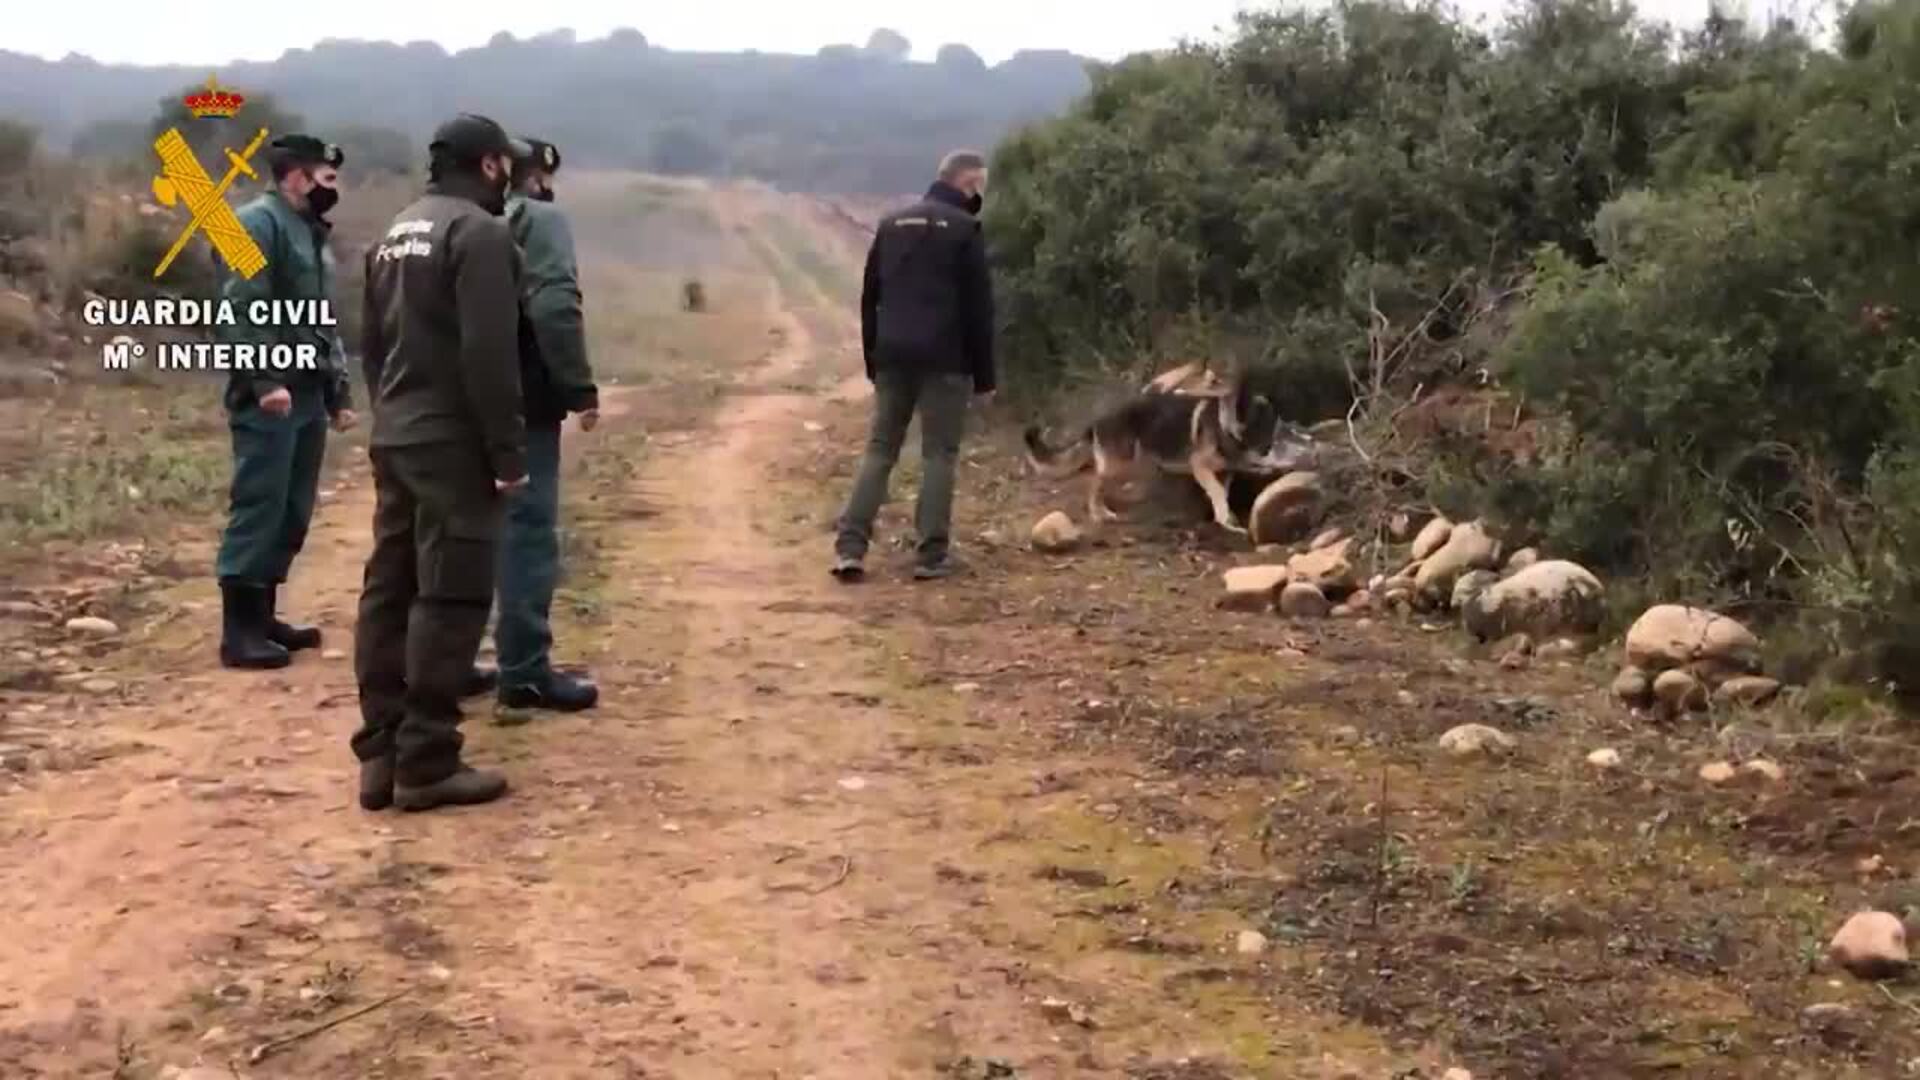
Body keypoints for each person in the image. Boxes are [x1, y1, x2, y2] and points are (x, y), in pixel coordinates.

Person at [349, 114, 527, 813]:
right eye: (505, 166)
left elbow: (371, 345)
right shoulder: (479, 234)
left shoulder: (394, 233)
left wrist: (390, 415)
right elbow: (490, 353)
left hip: (396, 432)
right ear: (489, 166)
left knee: (389, 588)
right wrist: (507, 451)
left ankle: (381, 755)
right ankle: (426, 760)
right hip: (451, 442)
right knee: (449, 595)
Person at [212, 134, 356, 670]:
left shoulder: (310, 232)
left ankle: (264, 617)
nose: (333, 188)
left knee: (293, 508)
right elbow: (241, 307)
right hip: (270, 394)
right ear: (296, 176)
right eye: (327, 177)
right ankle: (239, 632)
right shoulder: (254, 224)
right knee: (260, 501)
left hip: (308, 392)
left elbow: (321, 318)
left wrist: (338, 389)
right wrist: (264, 379)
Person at [831, 149, 996, 582]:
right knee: (939, 454)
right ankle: (931, 555)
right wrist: (986, 378)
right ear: (968, 184)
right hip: (946, 359)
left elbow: (870, 299)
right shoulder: (966, 228)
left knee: (880, 448)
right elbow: (979, 310)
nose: (981, 194)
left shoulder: (891, 225)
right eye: (980, 186)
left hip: (892, 355)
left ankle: (850, 547)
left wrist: (873, 359)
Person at [487, 137, 601, 712]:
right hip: (520, 399)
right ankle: (525, 671)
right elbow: (555, 306)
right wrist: (579, 387)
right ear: (530, 178)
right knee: (527, 534)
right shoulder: (538, 219)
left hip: (446, 401)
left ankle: (447, 663)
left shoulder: (436, 218)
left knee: (457, 534)